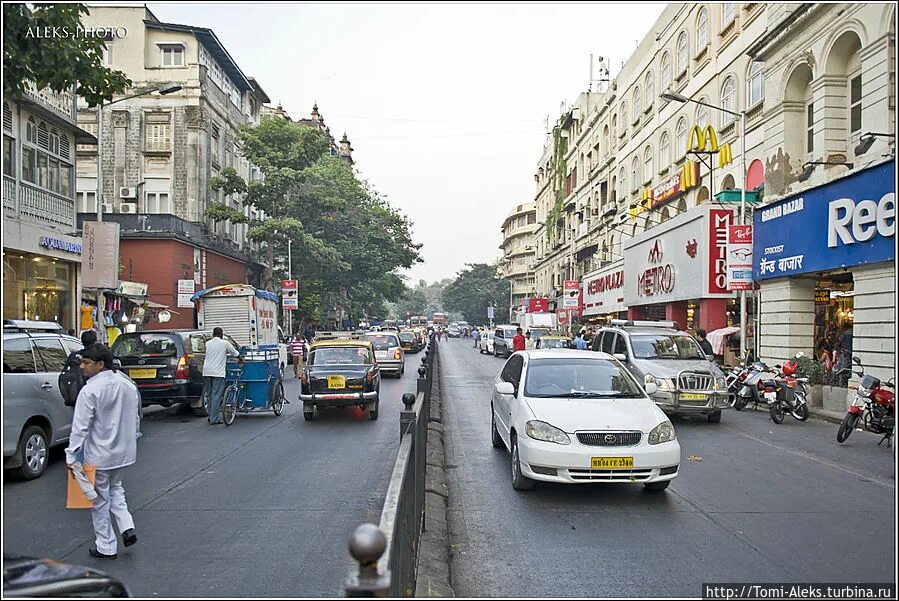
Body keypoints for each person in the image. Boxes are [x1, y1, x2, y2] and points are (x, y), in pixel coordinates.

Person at [65, 344, 141, 560]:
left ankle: (106, 546)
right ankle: (126, 526)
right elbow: (135, 418)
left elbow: (80, 428)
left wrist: (72, 455)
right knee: (116, 489)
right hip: (124, 452)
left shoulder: (90, 390)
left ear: (100, 364)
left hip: (98, 454)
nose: (81, 367)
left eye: (86, 363)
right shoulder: (127, 385)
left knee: (99, 502)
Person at [203, 327, 241, 425]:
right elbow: (235, 353)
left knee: (209, 394)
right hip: (217, 373)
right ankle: (214, 419)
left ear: (213, 334)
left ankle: (211, 416)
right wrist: (241, 359)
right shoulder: (225, 343)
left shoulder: (207, 343)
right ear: (221, 334)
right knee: (216, 395)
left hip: (206, 371)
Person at [60, 330, 98, 407]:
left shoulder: (73, 355)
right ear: (95, 341)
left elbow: (65, 370)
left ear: (82, 341)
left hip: (76, 397)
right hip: (93, 396)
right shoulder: (98, 356)